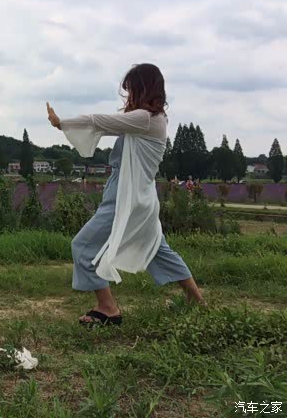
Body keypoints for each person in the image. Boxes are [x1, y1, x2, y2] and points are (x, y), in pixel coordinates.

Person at [46, 63, 205, 326]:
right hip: (141, 197)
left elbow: (98, 121)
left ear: (143, 89)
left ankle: (108, 308)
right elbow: (105, 127)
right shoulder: (152, 120)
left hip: (126, 197)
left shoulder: (144, 119)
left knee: (83, 246)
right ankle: (197, 302)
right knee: (158, 249)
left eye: (131, 89)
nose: (128, 95)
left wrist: (61, 122)